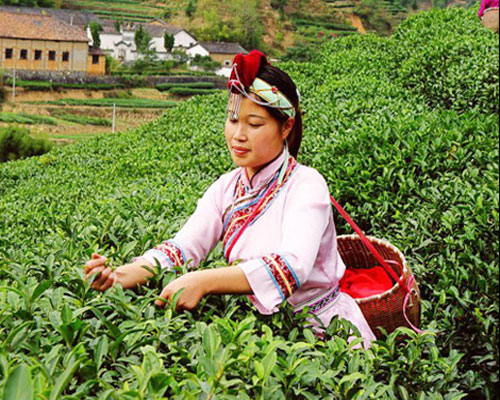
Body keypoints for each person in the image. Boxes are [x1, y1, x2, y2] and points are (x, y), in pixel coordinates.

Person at [84, 50, 376, 348]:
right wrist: (120, 275)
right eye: (233, 119)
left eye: (254, 124)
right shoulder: (226, 188)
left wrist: (204, 281)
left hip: (326, 332)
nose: (238, 134)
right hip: (260, 334)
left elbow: (292, 266)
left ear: (286, 127)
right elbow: (183, 248)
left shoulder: (306, 185)